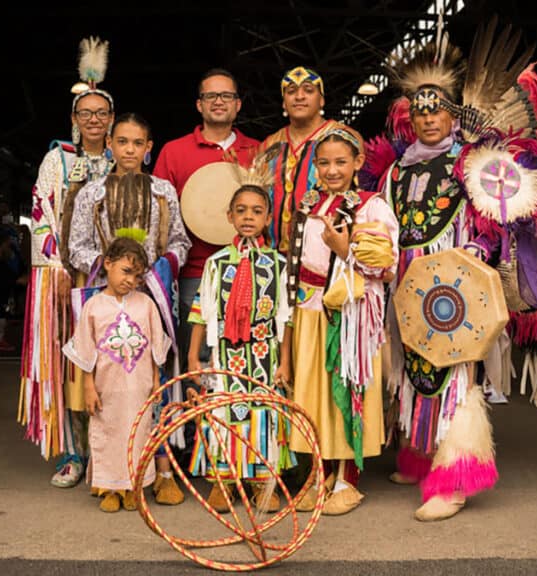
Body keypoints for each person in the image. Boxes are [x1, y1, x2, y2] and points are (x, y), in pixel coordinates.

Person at [374, 37, 500, 521]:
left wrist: (472, 256)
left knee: (454, 370)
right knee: (411, 369)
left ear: (452, 116)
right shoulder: (396, 171)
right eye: (420, 113)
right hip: (405, 281)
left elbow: (493, 223)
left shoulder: (472, 164)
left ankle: (454, 479)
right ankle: (419, 455)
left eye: (437, 111)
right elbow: (384, 223)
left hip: (455, 282)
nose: (428, 119)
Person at [68, 112, 192, 505]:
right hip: (106, 302)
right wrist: (111, 268)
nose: (129, 149)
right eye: (122, 141)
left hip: (152, 298)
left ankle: (163, 470)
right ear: (110, 144)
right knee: (110, 391)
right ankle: (110, 474)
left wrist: (161, 265)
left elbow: (180, 241)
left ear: (149, 148)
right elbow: (76, 246)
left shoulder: (163, 191)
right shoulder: (91, 194)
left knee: (156, 386)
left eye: (138, 143)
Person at [287, 126, 399, 516]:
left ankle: (347, 479)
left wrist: (344, 247)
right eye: (323, 163)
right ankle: (317, 476)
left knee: (346, 392)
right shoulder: (308, 205)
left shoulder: (372, 206)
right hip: (310, 310)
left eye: (340, 162)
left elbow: (385, 265)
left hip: (350, 317)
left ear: (357, 163)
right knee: (314, 396)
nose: (332, 170)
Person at [19, 37, 116, 486]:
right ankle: (72, 453)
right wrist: (53, 267)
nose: (94, 120)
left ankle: (107, 452)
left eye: (101, 113)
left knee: (111, 361)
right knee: (67, 361)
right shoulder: (57, 159)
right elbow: (41, 211)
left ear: (112, 119)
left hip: (114, 277)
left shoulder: (123, 159)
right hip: (66, 275)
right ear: (74, 119)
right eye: (86, 113)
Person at [186, 157, 294, 513]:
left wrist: (286, 362)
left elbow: (285, 318)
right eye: (241, 210)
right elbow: (201, 310)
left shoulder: (277, 264)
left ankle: (263, 482)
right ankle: (225, 479)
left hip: (265, 354)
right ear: (229, 216)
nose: (249, 216)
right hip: (225, 355)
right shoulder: (216, 264)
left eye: (257, 211)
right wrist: (193, 358)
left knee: (263, 413)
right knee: (225, 412)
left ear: (267, 219)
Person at [153, 68, 259, 394]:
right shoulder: (174, 151)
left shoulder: (258, 151)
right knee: (195, 358)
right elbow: (159, 214)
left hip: (248, 269)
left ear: (238, 104)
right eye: (210, 95)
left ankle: (234, 434)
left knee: (241, 353)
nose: (218, 102)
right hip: (193, 272)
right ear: (199, 105)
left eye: (226, 95)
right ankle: (196, 437)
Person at [63, 237, 170, 512]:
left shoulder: (145, 304)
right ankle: (109, 487)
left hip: (139, 386)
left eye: (136, 276)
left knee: (138, 433)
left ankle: (133, 486)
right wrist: (89, 387)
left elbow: (157, 345)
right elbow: (86, 352)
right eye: (125, 271)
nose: (130, 281)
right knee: (107, 432)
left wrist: (157, 380)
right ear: (107, 264)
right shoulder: (93, 307)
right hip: (106, 388)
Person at [261, 67, 342, 251]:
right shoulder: (269, 145)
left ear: (321, 100)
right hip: (274, 256)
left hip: (324, 256)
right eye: (291, 91)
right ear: (284, 103)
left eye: (308, 90)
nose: (299, 96)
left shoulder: (344, 137)